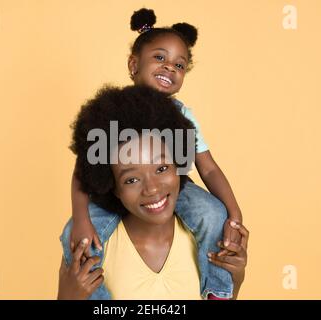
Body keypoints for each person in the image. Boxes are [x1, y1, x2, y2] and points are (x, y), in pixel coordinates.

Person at [63, 8, 245, 299]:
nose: (169, 67)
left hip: (176, 189)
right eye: (160, 58)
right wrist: (81, 217)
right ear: (134, 64)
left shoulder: (183, 114)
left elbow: (208, 169)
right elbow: (83, 172)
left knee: (214, 213)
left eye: (179, 65)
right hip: (114, 189)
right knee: (74, 234)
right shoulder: (112, 111)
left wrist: (234, 214)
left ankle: (217, 290)